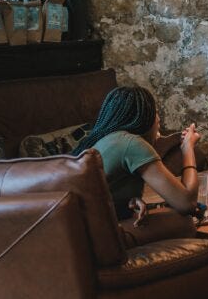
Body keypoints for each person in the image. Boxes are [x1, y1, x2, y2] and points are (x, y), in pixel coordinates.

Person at [72, 86, 199, 221]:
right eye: (155, 113)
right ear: (145, 118)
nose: (158, 120)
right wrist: (188, 148)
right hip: (106, 235)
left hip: (84, 232)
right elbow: (187, 204)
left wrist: (125, 204)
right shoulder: (132, 144)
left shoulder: (105, 140)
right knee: (184, 221)